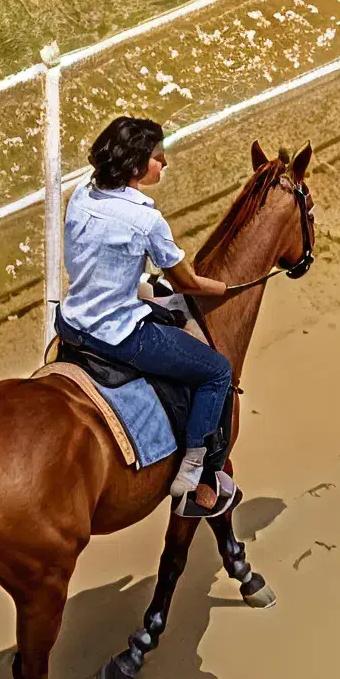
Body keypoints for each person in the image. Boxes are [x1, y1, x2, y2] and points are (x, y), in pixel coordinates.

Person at [51, 115, 254, 511]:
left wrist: (137, 279)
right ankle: (196, 473)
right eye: (158, 158)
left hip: (73, 320)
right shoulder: (146, 220)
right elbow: (186, 284)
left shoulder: (81, 193)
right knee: (216, 372)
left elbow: (97, 253)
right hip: (117, 335)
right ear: (136, 167)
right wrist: (227, 288)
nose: (165, 163)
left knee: (151, 294)